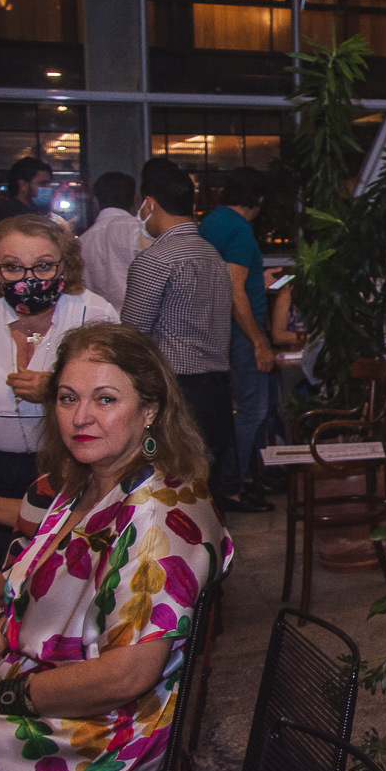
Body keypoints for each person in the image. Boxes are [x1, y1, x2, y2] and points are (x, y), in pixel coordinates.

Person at [0, 322, 233, 771]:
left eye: (105, 399)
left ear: (150, 409)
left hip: (102, 734)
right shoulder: (87, 484)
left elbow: (125, 677)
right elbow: (22, 602)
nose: (81, 417)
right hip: (49, 688)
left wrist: (2, 695)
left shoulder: (159, 517)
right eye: (68, 398)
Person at [120, 167, 257, 513]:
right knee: (206, 495)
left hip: (174, 391)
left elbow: (131, 337)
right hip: (217, 389)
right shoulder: (214, 257)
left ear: (149, 204)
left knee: (169, 496)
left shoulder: (156, 260)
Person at [0, 216, 118, 567]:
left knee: (57, 576)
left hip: (72, 469)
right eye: (13, 267)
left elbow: (120, 394)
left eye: (43, 266)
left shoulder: (95, 313)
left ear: (65, 265)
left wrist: (59, 391)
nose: (28, 279)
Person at [198, 167, 276, 505]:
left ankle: (249, 475)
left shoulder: (209, 223)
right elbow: (235, 290)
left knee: (246, 407)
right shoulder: (240, 229)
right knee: (253, 409)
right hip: (242, 331)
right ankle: (233, 484)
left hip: (215, 328)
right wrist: (259, 341)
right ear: (258, 199)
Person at [78, 172, 144, 312]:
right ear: (135, 199)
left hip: (98, 320)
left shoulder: (82, 241)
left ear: (95, 201)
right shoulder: (141, 231)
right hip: (140, 318)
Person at [0, 158, 53, 230]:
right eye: (43, 183)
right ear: (23, 185)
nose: (48, 188)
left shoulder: (36, 212)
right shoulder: (10, 218)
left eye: (49, 183)